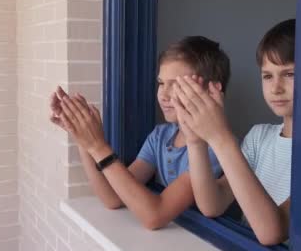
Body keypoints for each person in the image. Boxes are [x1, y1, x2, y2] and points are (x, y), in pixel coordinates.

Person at [49, 36, 229, 230]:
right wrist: (84, 139)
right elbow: (113, 197)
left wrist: (98, 146)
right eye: (161, 83)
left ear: (211, 90)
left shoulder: (213, 148)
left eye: (176, 84)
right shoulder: (161, 136)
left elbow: (155, 215)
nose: (164, 94)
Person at [173, 19, 296, 245]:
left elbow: (272, 233)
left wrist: (220, 137)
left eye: (289, 74)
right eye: (268, 76)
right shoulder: (259, 137)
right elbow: (212, 204)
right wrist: (196, 141)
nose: (276, 87)